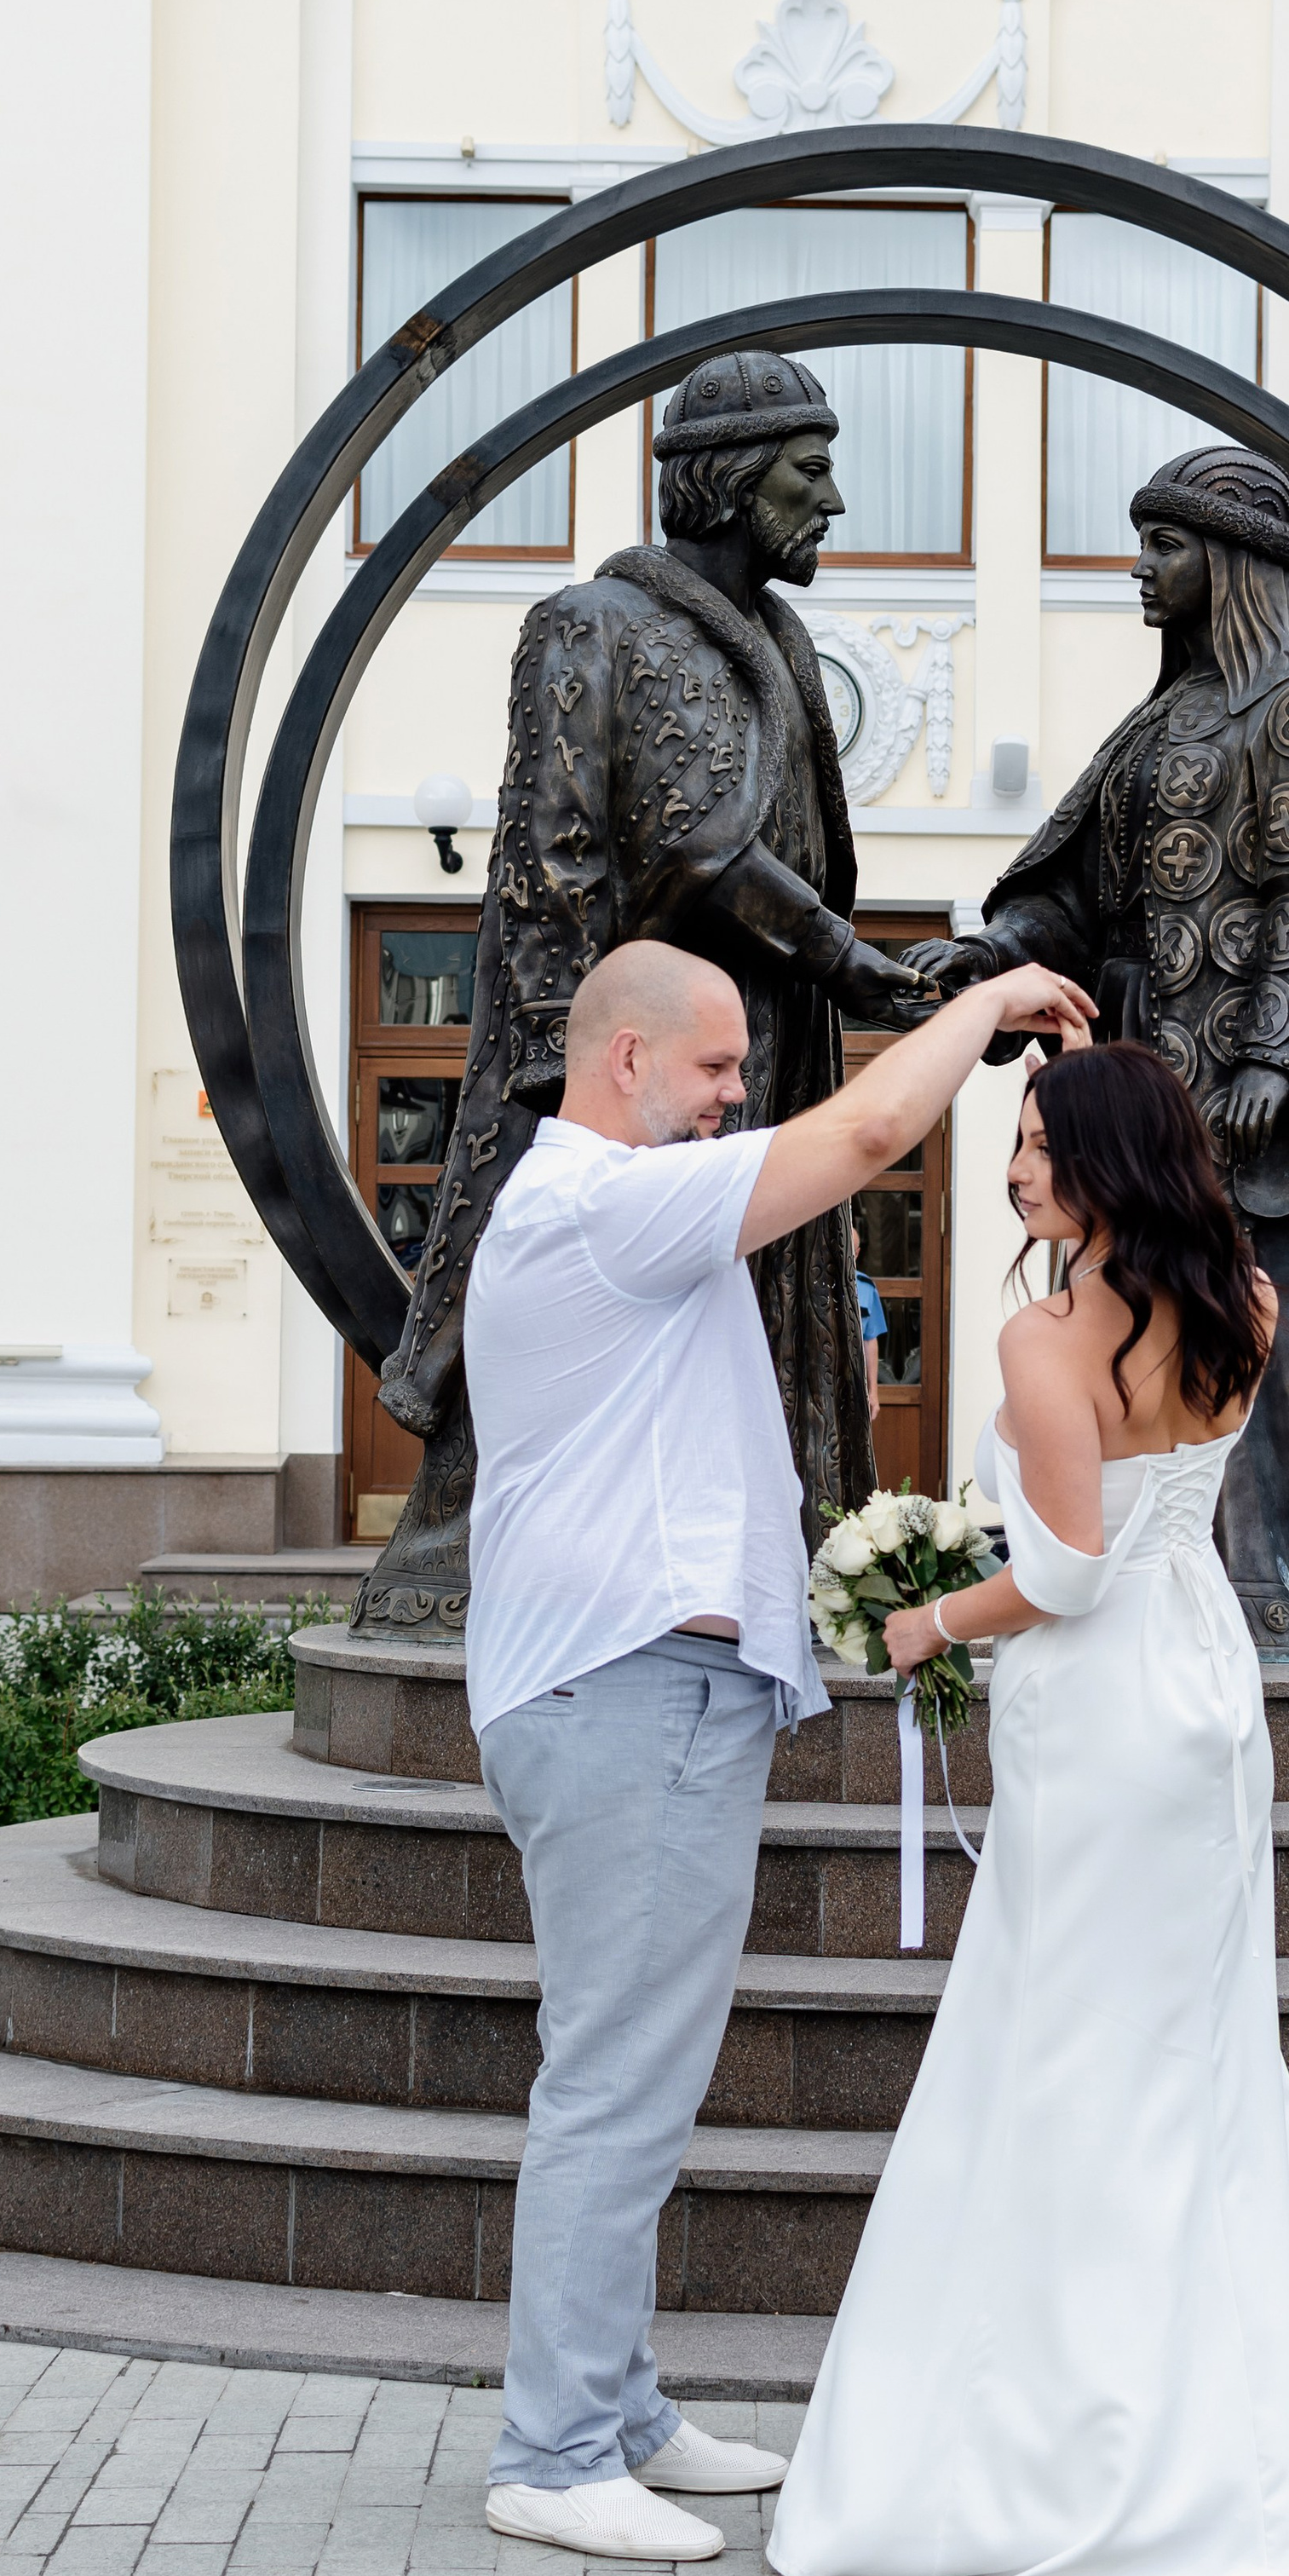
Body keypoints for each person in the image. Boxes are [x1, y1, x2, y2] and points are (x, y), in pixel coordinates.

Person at [765, 1041, 1289, 2576]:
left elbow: (1068, 1574)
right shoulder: (1250, 1308)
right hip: (1207, 1687)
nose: (1016, 1170)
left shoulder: (1043, 1339)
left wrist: (933, 1618)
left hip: (1101, 1708)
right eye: (1014, 1144)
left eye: (1036, 1144)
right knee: (1195, 2057)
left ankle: (1072, 2443)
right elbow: (1155, 1522)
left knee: (1069, 2053)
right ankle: (1233, 2433)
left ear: (1105, 1163)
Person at [468, 933, 1095, 2567]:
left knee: (642, 2075)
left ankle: (618, 2413)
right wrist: (979, 1006)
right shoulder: (602, 1204)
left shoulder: (602, 1212)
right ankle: (550, 2451)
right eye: (720, 1070)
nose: (740, 1097)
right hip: (627, 1695)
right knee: (616, 2080)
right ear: (627, 1065)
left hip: (646, 1695)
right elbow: (873, 1137)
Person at [899, 447, 1289, 1663]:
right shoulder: (1165, 718)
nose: (1140, 567)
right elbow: (1075, 887)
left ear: (1232, 564)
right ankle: (1136, 1565)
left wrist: (1276, 1066)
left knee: (1257, 1332)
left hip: (1246, 1107)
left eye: (1165, 546)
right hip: (1146, 1078)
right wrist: (998, 955)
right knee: (1146, 1324)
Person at [360, 347, 933, 1636]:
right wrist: (586, 1066)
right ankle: (466, 1571)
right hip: (616, 1074)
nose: (833, 503)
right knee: (581, 1322)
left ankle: (783, 1562)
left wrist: (858, 970)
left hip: (763, 1052)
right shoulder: (592, 626)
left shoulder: (782, 645)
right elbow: (624, 851)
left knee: (764, 1326)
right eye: (812, 471)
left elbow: (784, 856)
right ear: (730, 483)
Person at [852, 1225, 886, 1432]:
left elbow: (870, 1339)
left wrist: (873, 1391)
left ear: (857, 1253)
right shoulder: (814, 1284)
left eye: (849, 1249)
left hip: (853, 1383)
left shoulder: (866, 1287)